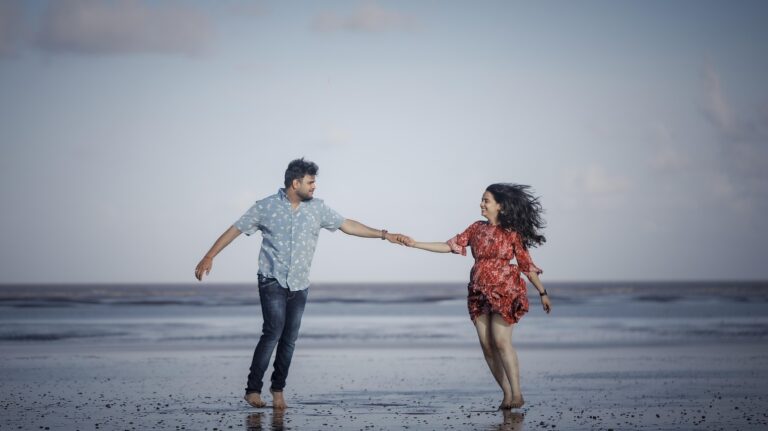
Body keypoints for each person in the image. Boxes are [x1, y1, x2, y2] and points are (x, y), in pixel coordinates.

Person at [194, 158, 410, 410]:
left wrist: (385, 235)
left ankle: (277, 391)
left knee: (289, 339)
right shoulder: (265, 207)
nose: (314, 187)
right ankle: (253, 390)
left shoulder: (317, 209)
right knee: (273, 331)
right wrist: (209, 255)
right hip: (272, 279)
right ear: (295, 183)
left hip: (299, 285)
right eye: (310, 182)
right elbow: (235, 230)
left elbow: (347, 225)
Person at [404, 183, 551, 409]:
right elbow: (449, 245)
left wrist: (542, 292)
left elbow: (526, 265)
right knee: (486, 345)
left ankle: (518, 394)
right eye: (482, 200)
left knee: (501, 342)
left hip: (505, 291)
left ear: (500, 206)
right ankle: (507, 394)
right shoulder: (476, 228)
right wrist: (416, 244)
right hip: (478, 291)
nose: (481, 204)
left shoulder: (512, 233)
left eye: (486, 200)